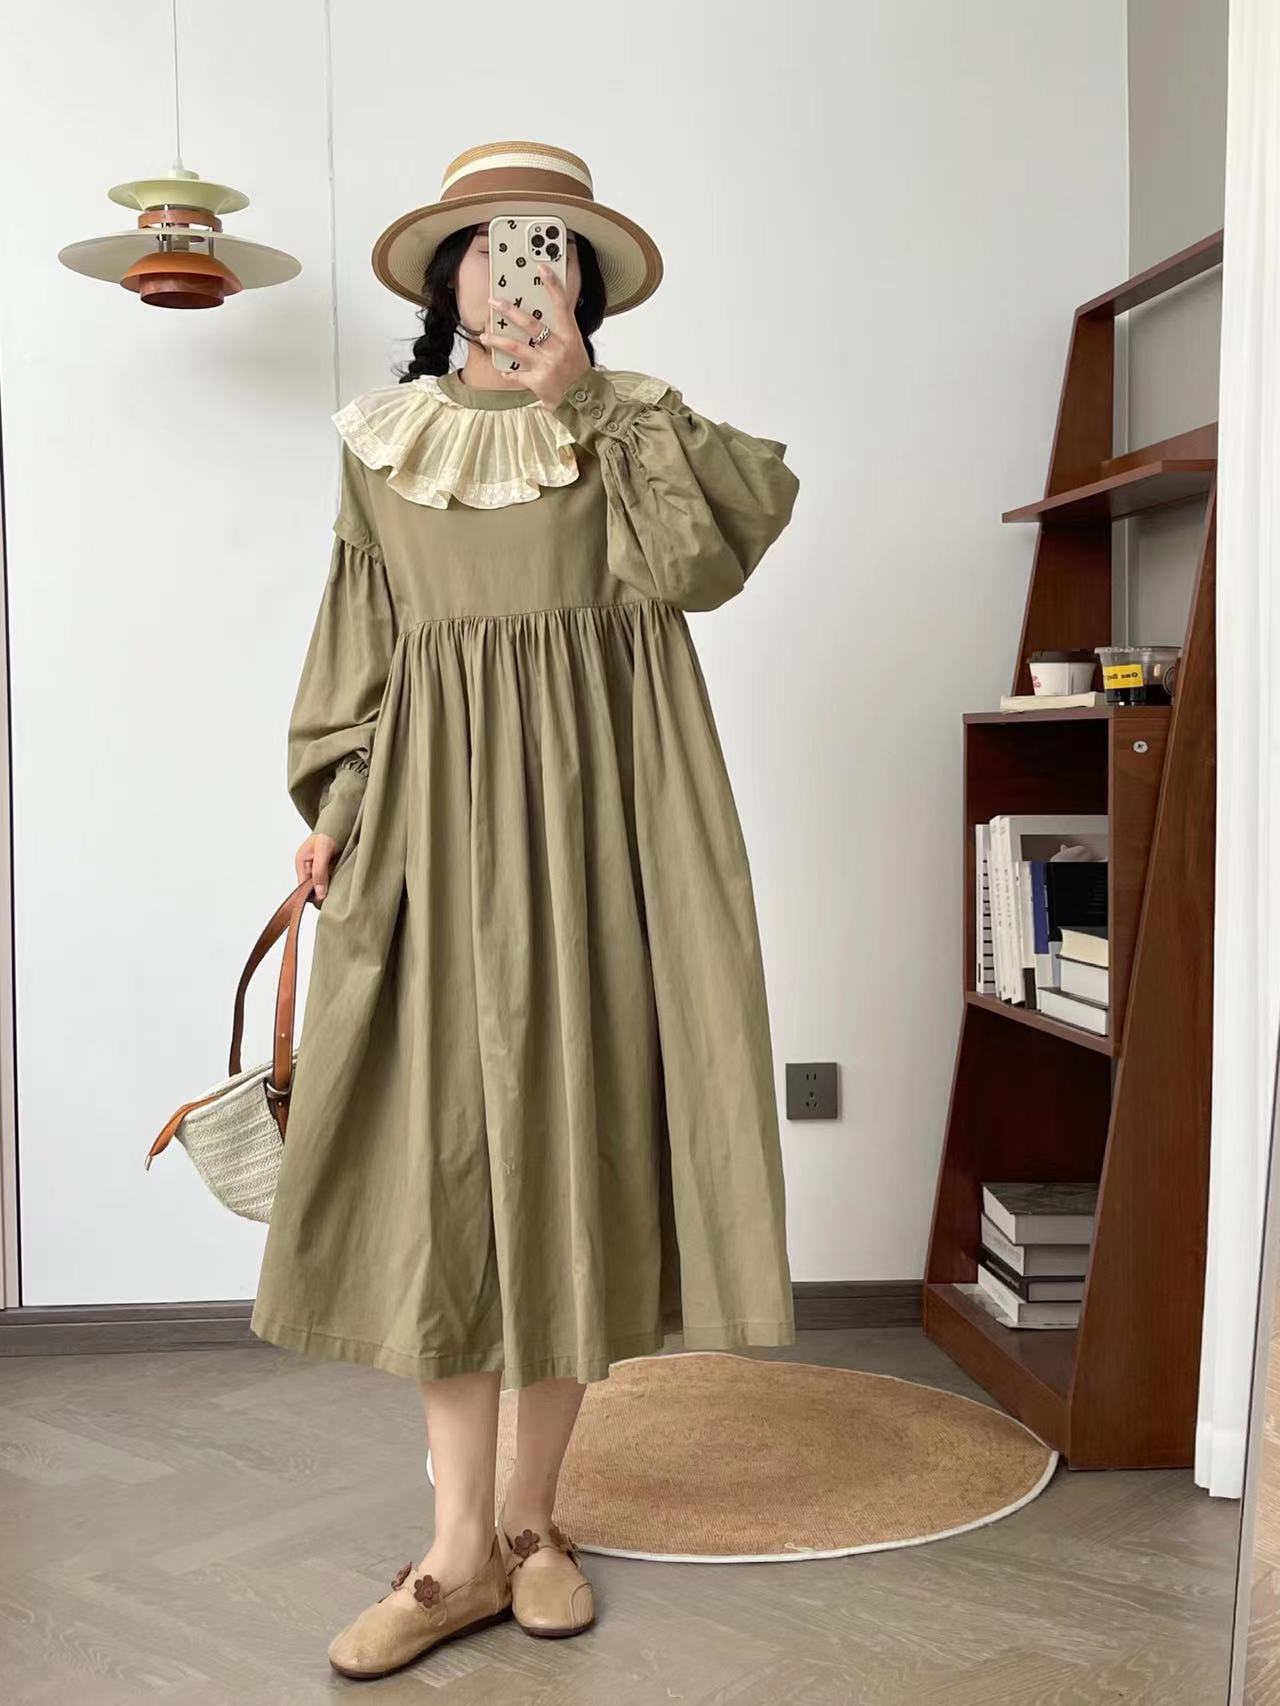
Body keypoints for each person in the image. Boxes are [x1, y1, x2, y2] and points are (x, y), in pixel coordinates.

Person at [247, 139, 801, 1681]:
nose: (516, 272)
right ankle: (454, 1551)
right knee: (445, 1174)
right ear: (449, 274)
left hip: (600, 829)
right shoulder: (386, 445)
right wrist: (334, 812)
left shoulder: (626, 427)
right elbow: (362, 641)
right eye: (494, 245)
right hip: (432, 834)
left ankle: (537, 1523)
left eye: (546, 247)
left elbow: (707, 562)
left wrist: (589, 401)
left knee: (571, 1158)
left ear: (581, 281)